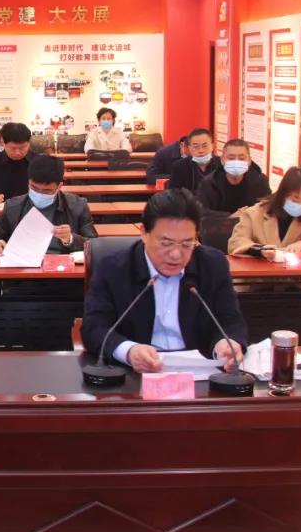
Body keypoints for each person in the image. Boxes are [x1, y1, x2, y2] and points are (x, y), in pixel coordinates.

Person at [81, 188, 249, 373]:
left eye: (187, 243)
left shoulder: (212, 265)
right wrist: (129, 351)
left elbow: (230, 321)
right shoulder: (113, 268)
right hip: (133, 375)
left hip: (199, 374)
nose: (176, 254)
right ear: (144, 233)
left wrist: (225, 344)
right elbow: (94, 328)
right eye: (166, 243)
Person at [0, 155, 97, 256]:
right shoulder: (13, 206)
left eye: (47, 191)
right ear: (28, 182)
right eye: (34, 188)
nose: (39, 194)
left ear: (59, 186)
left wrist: (70, 239)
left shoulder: (77, 206)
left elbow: (94, 244)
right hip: (23, 265)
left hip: (62, 266)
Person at [228, 166, 301, 257]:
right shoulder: (254, 213)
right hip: (260, 276)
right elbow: (236, 242)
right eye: (295, 199)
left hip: (299, 276)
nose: (300, 204)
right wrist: (259, 250)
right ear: (283, 194)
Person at [196, 138, 271, 216]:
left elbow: (267, 209)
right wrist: (229, 217)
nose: (236, 162)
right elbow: (201, 212)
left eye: (241, 158)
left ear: (249, 161)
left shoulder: (260, 182)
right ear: (222, 160)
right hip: (221, 223)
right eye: (231, 158)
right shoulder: (209, 183)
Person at [168, 128, 221, 193]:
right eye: (196, 146)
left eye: (204, 146)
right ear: (190, 148)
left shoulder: (222, 164)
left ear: (212, 146)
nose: (201, 150)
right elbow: (173, 194)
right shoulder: (179, 167)